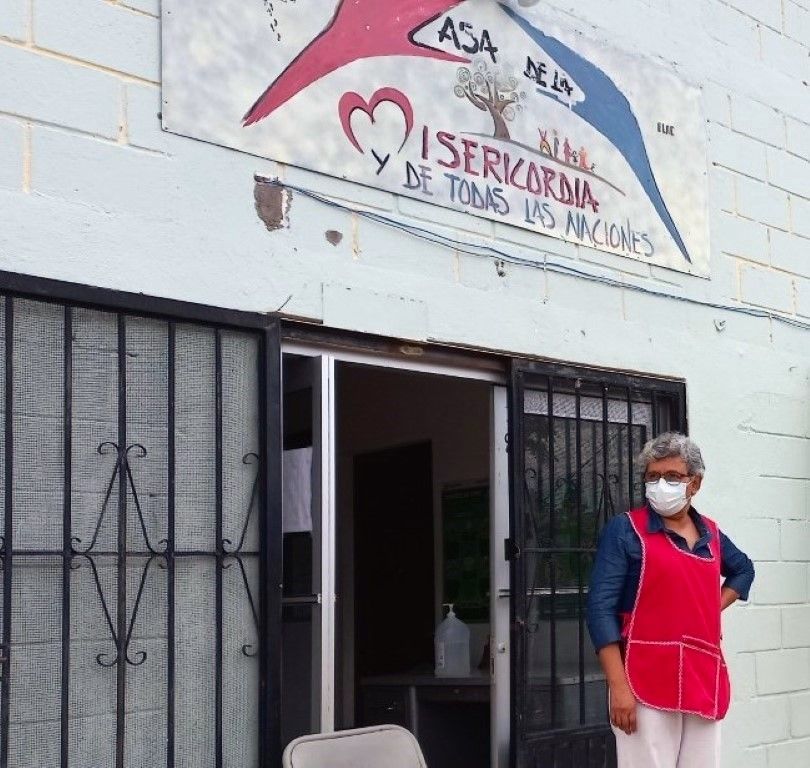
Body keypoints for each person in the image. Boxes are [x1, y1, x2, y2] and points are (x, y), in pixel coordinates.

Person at [586, 432, 754, 768]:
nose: (661, 484)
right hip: (643, 675)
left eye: (673, 476)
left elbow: (743, 571)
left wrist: (711, 607)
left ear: (695, 483)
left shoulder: (712, 534)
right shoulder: (626, 530)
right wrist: (619, 688)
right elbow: (599, 609)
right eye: (653, 476)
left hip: (701, 673)